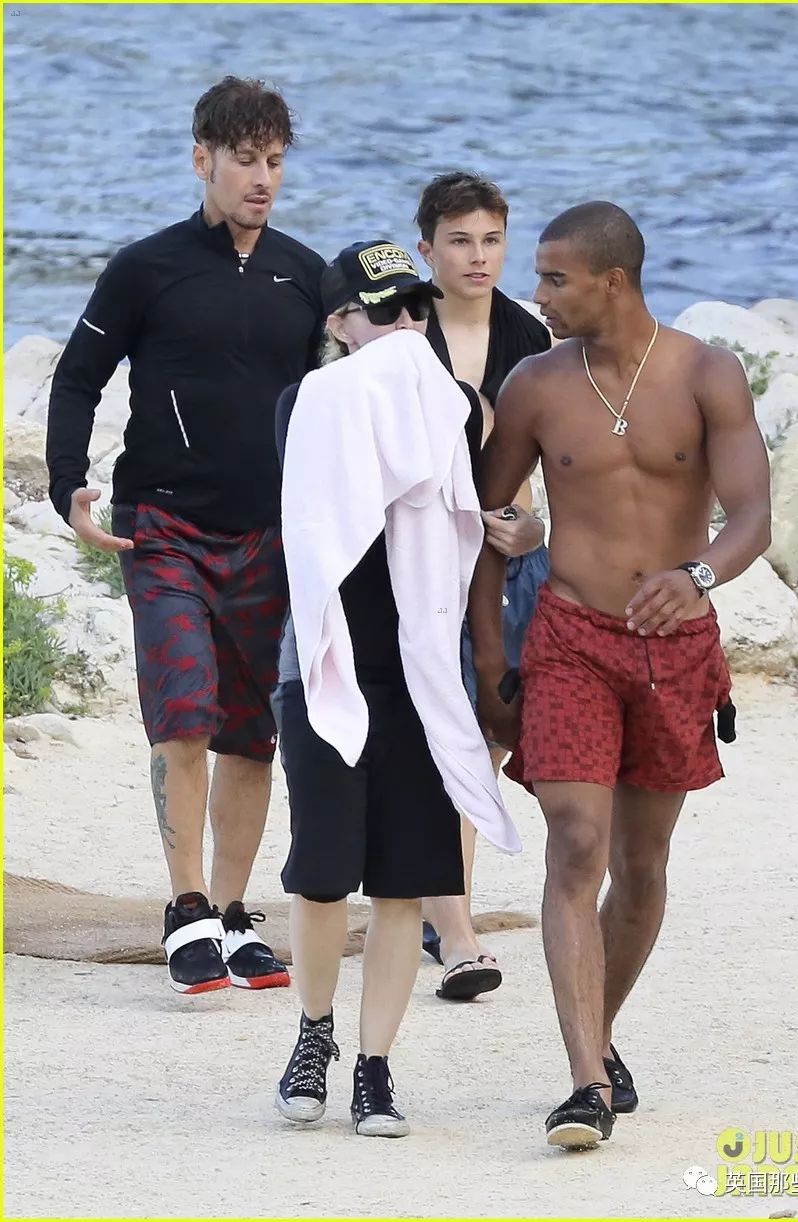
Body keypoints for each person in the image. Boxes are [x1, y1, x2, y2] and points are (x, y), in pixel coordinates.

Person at [468, 201, 771, 1149]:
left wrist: (697, 577)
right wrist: (488, 656)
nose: (537, 293)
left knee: (640, 866)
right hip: (569, 639)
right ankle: (585, 1084)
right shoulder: (533, 385)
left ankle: (598, 1036)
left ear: (613, 281)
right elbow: (479, 526)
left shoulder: (705, 373)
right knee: (574, 842)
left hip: (674, 649)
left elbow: (751, 515)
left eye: (554, 278)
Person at [45, 76, 326, 995]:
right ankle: (187, 906)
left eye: (274, 160)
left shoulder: (305, 275)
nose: (262, 178)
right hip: (161, 525)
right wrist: (67, 485)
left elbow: (344, 400)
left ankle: (236, 915)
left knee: (252, 733)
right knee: (184, 712)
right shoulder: (145, 268)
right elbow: (77, 378)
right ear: (202, 158)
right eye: (244, 160)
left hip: (269, 535)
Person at [272, 241, 519, 1138]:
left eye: (417, 308)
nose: (406, 325)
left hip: (419, 673)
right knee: (322, 874)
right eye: (383, 311)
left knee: (406, 881)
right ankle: (313, 1033)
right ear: (339, 324)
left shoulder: (447, 405)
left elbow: (477, 498)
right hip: (325, 664)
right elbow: (336, 488)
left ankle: (374, 1066)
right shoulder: (307, 402)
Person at [414, 171, 552, 1001]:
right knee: (447, 740)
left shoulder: (530, 335)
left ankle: (441, 909)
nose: (478, 256)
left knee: (490, 738)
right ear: (425, 246)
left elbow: (549, 457)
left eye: (492, 240)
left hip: (509, 561)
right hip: (422, 561)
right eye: (460, 240)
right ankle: (458, 934)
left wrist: (533, 532)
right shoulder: (401, 327)